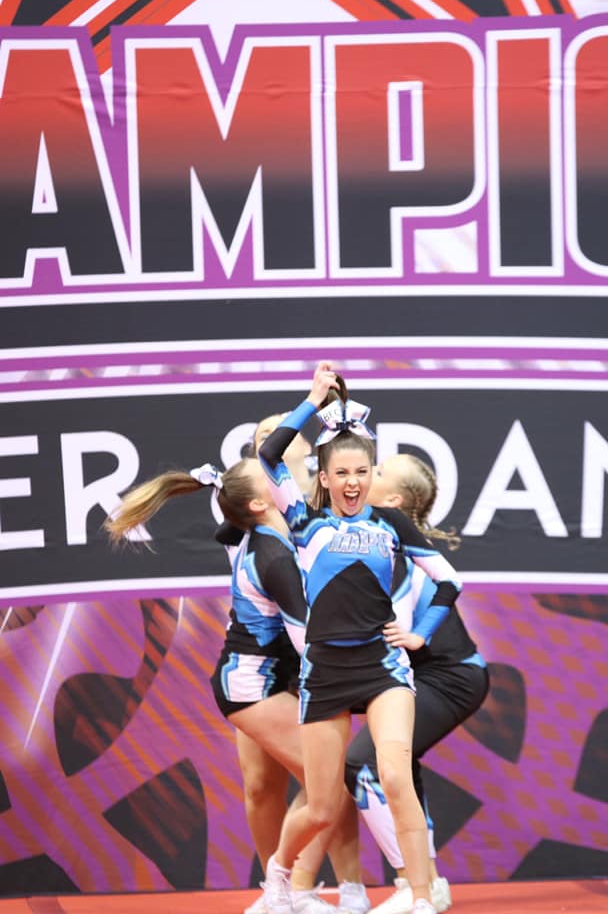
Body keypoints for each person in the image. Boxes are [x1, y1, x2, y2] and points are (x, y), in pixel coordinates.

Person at [104, 456, 368, 914]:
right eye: (276, 475)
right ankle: (284, 891)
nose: (288, 477)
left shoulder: (260, 535)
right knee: (327, 792)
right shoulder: (272, 554)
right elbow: (310, 642)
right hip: (252, 687)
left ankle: (286, 890)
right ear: (261, 502)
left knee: (328, 790)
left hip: (258, 682)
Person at [257, 362, 463, 914]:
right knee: (323, 808)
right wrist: (311, 399)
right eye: (342, 472)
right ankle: (279, 875)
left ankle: (421, 899)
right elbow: (269, 456)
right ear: (323, 477)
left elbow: (450, 580)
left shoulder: (392, 526)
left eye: (362, 471)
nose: (352, 482)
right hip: (323, 673)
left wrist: (419, 634)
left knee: (395, 774)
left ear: (372, 474)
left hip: (383, 669)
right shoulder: (302, 521)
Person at [346, 454, 490, 914]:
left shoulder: (398, 549)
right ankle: (429, 883)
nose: (364, 475)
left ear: (393, 500)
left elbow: (391, 626)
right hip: (418, 675)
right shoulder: (366, 538)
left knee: (363, 764)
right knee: (396, 768)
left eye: (377, 472)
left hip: (451, 677)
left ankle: (413, 882)